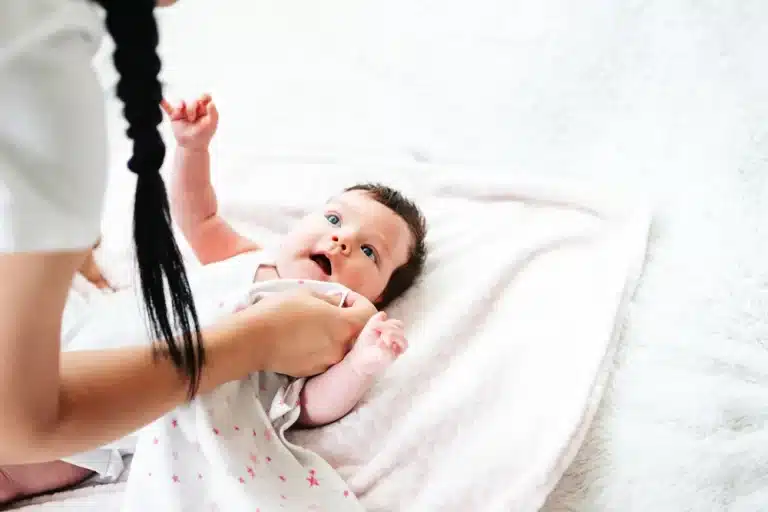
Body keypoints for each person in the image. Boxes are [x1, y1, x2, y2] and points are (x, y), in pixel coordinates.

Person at [0, 0, 372, 479]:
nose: (342, 241)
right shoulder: (253, 262)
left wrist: (365, 358)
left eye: (369, 251)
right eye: (335, 218)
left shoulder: (323, 319)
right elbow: (200, 217)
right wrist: (193, 151)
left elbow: (310, 405)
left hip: (91, 417)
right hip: (63, 381)